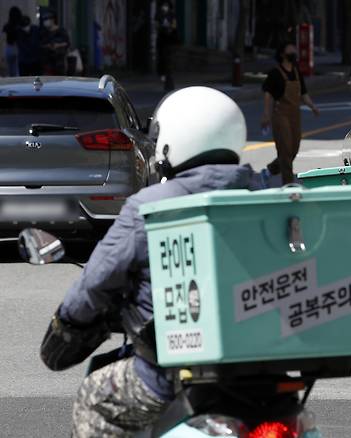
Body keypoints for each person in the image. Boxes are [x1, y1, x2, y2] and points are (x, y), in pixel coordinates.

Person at [39, 87, 259, 437]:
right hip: (260, 377)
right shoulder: (264, 198)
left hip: (171, 375)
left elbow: (98, 277)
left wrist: (68, 321)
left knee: (94, 398)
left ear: (173, 141)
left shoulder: (153, 205)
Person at [260, 42, 319, 185]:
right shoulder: (275, 73)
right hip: (280, 114)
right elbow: (268, 94)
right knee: (285, 149)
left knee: (294, 149)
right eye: (290, 49)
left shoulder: (296, 71)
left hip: (295, 115)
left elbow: (303, 93)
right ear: (282, 54)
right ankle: (288, 183)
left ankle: (269, 171)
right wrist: (266, 114)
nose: (294, 51)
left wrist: (312, 107)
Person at [39, 10, 70, 75]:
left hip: (59, 62)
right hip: (47, 62)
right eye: (44, 20)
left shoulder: (61, 31)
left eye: (47, 19)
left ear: (52, 20)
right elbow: (41, 45)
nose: (45, 22)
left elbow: (67, 43)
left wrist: (58, 45)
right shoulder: (44, 32)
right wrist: (48, 46)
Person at [156, 0, 177, 91]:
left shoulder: (172, 15)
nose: (165, 7)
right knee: (162, 58)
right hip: (161, 40)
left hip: (169, 41)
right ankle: (163, 74)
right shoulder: (159, 15)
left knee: (168, 60)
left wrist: (170, 29)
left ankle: (169, 82)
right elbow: (156, 25)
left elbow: (174, 26)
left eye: (166, 5)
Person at [2, 6, 22, 76]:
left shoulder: (6, 26)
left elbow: (4, 39)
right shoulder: (20, 26)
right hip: (18, 47)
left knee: (9, 71)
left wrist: (2, 53)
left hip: (9, 47)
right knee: (17, 70)